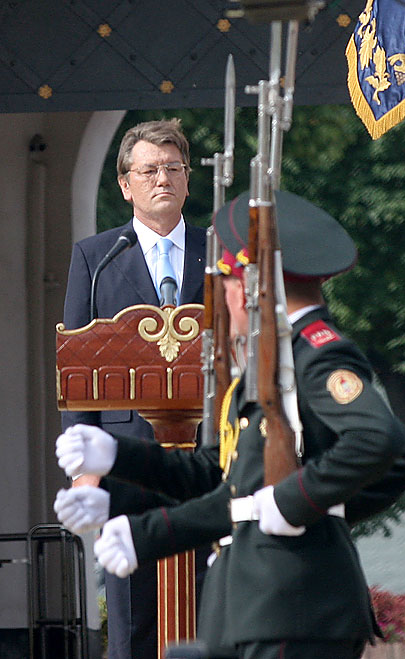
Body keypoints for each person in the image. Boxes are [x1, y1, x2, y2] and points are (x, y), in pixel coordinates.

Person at [55, 190, 405, 659]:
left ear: (251, 284)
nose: (225, 296)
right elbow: (220, 479)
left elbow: (384, 444)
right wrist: (116, 470)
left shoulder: (316, 355)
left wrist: (297, 504)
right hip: (253, 603)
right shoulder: (269, 367)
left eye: (228, 280)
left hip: (291, 604)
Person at [61, 119, 206, 659]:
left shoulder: (220, 251)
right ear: (125, 185)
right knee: (133, 614)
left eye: (173, 168)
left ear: (188, 179)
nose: (162, 179)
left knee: (209, 605)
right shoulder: (97, 258)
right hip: (125, 461)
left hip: (206, 457)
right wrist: (84, 472)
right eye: (148, 171)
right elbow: (77, 373)